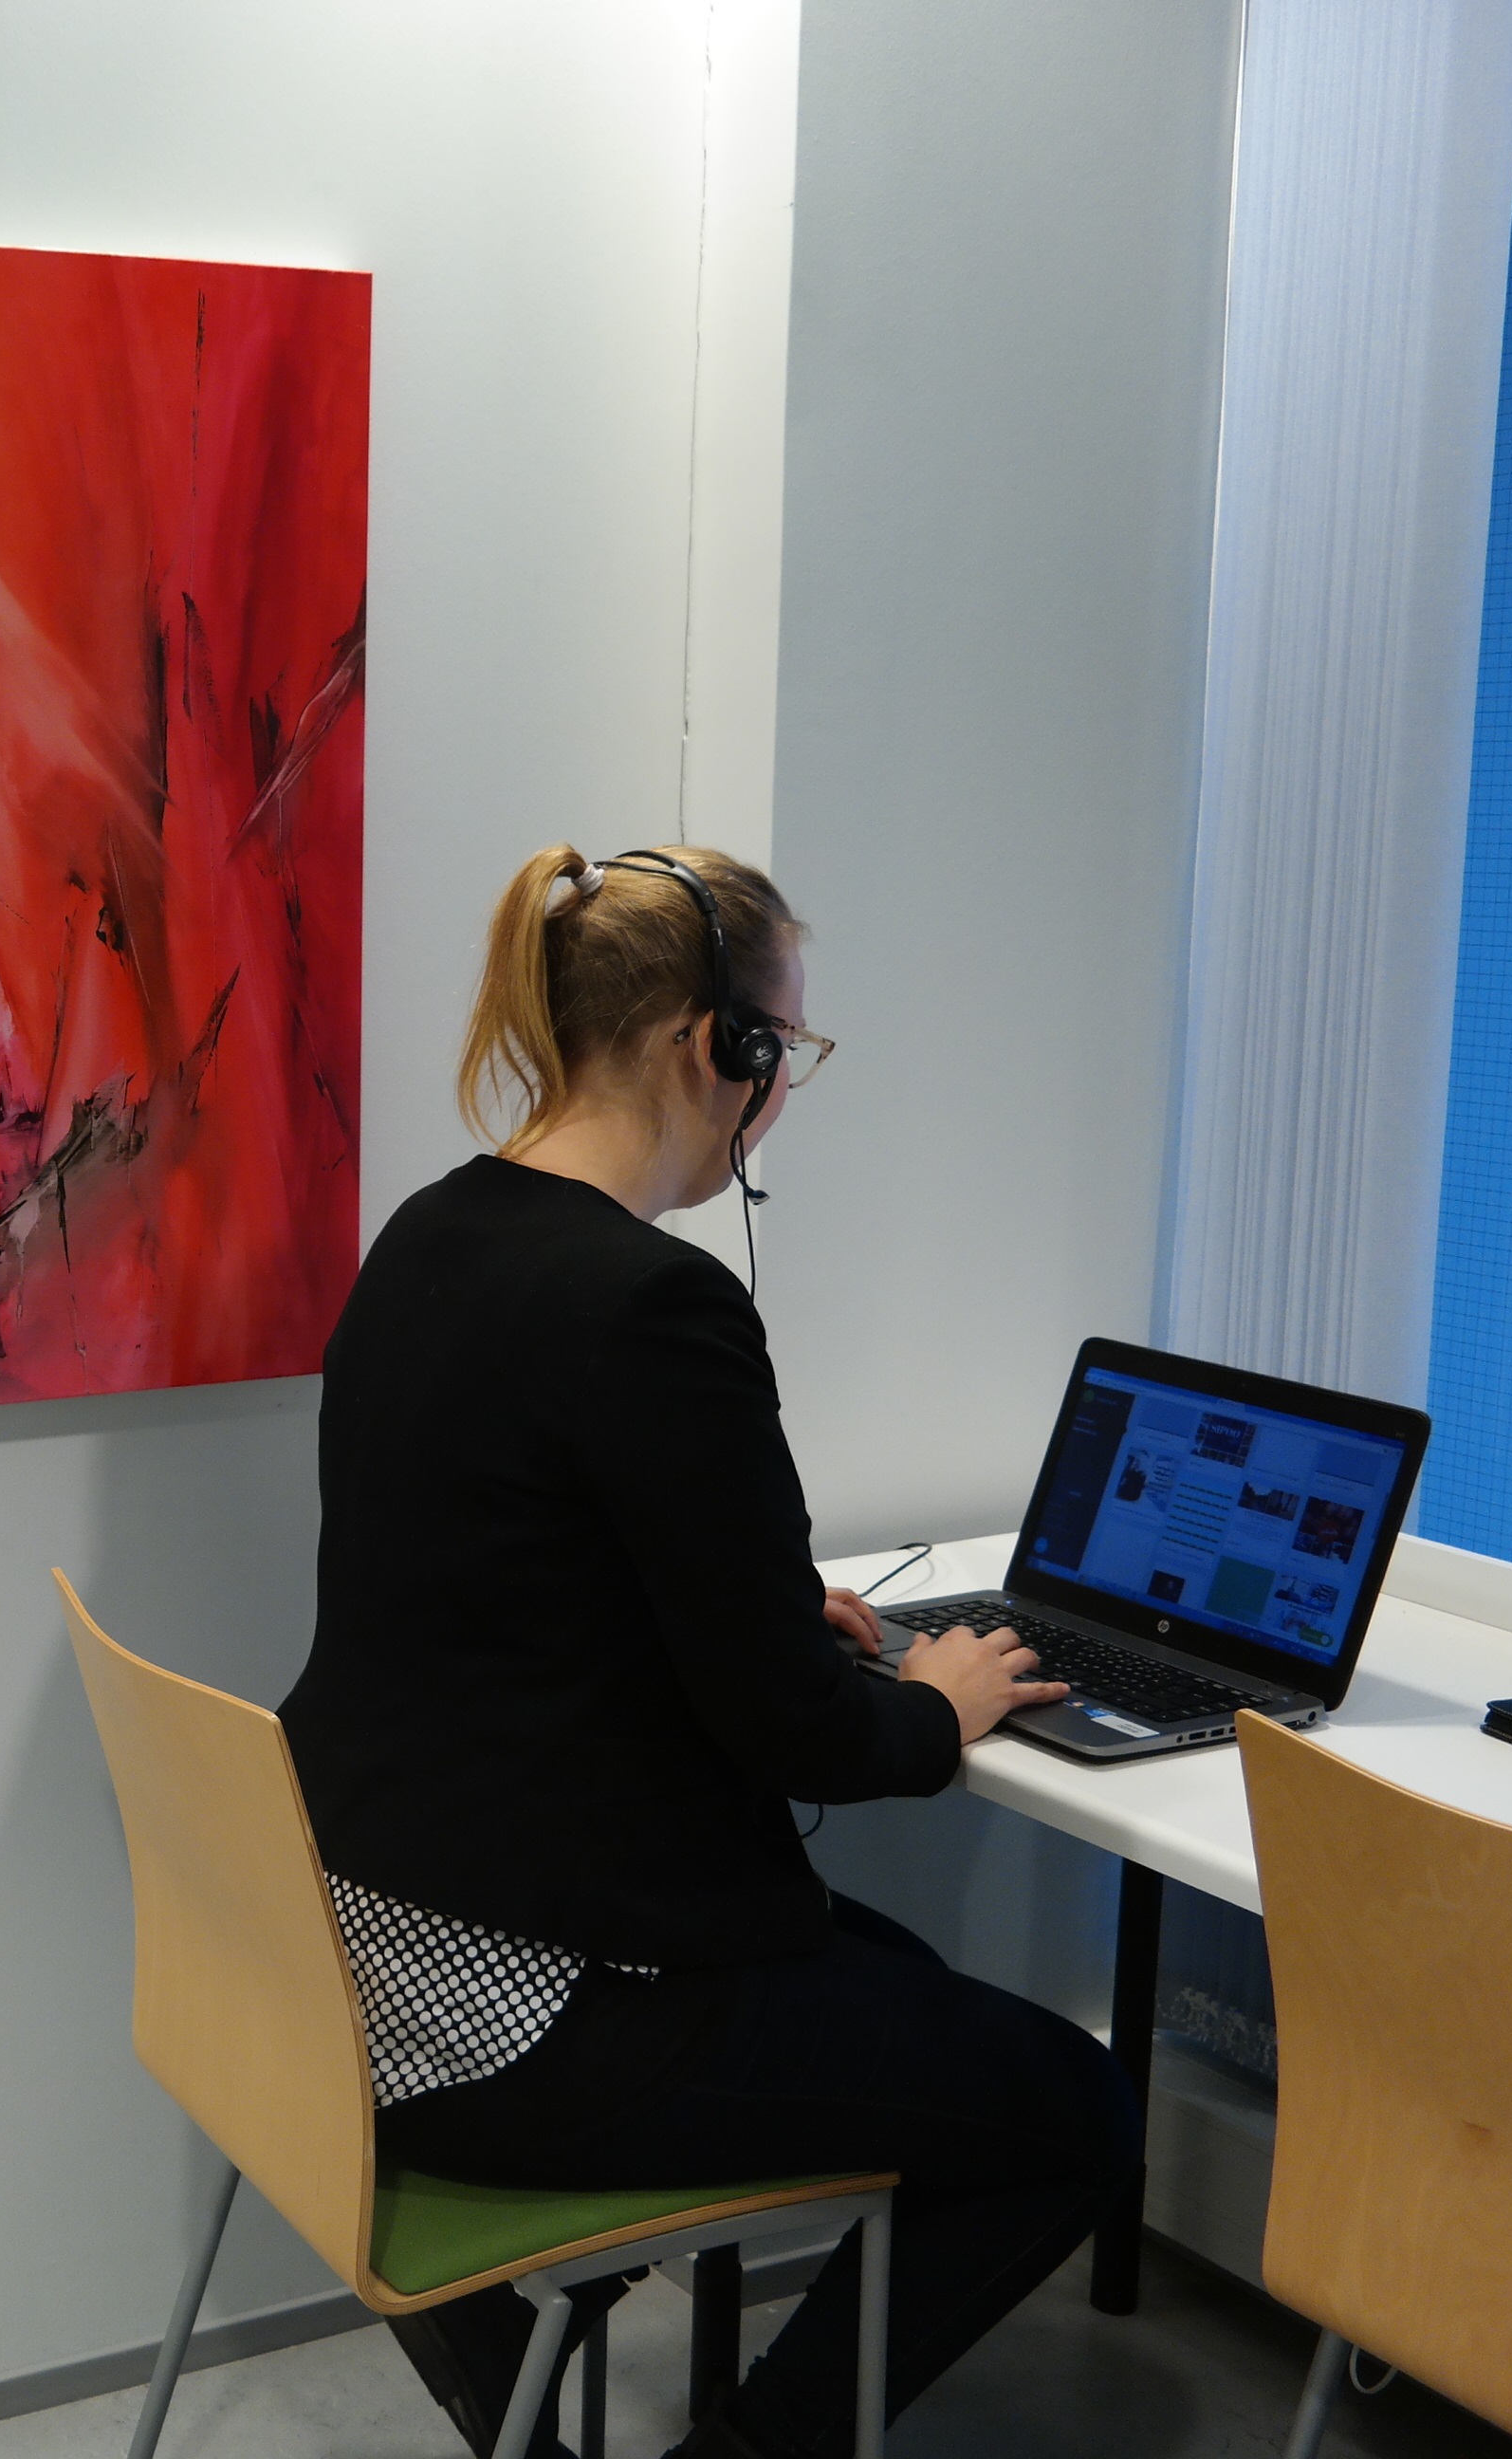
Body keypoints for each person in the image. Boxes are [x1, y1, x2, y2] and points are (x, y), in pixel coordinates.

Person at [277, 843, 1137, 2459]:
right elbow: (803, 1738)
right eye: (785, 1045)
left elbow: (496, 1577)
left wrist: (745, 1595)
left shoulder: (433, 1234)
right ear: (711, 1049)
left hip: (347, 1948)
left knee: (910, 1993)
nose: (784, 1081)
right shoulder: (651, 1305)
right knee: (1076, 2109)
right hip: (528, 2011)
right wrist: (937, 1708)